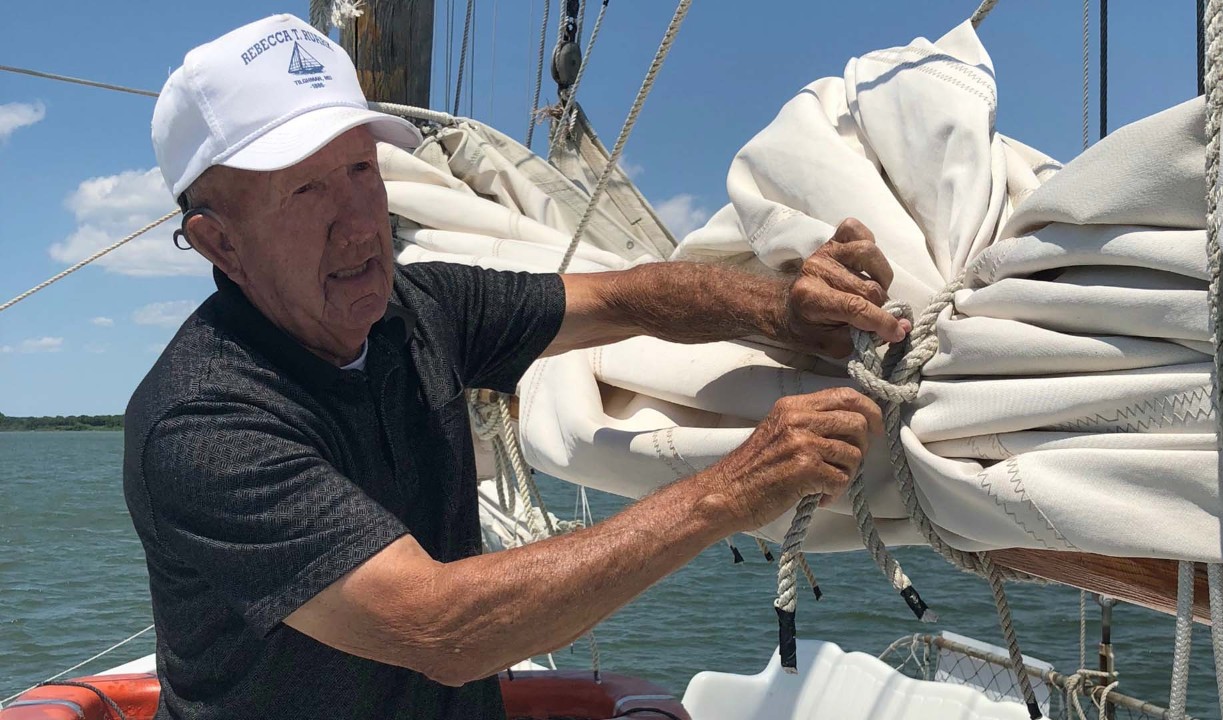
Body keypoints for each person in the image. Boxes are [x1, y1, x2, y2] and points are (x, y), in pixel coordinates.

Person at [124, 13, 909, 720]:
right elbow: (441, 627)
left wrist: (781, 309)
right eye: (304, 190)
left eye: (363, 169)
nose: (360, 223)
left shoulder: (419, 308)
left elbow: (627, 298)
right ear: (217, 240)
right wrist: (734, 489)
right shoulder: (205, 423)